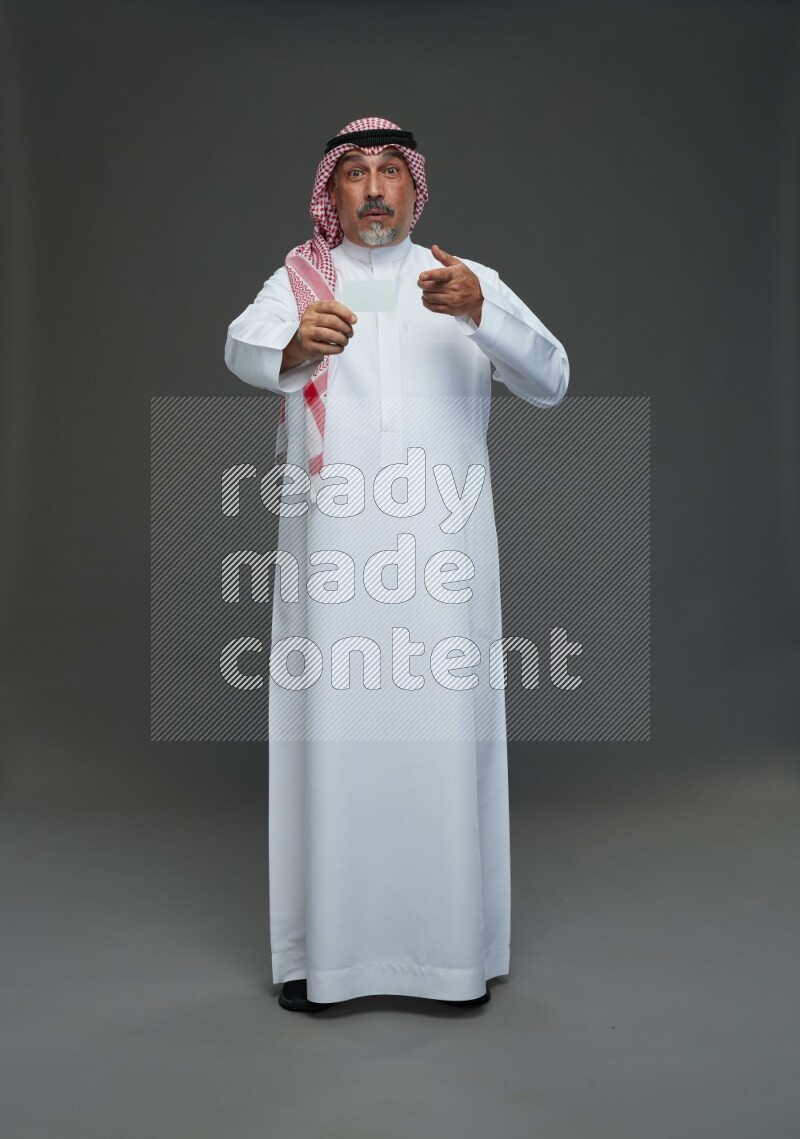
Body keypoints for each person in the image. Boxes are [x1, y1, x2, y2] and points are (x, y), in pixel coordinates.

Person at [224, 117, 569, 1012]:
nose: (375, 188)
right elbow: (242, 347)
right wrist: (295, 348)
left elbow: (552, 378)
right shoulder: (301, 280)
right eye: (356, 174)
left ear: (415, 189)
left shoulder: (460, 281)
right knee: (331, 737)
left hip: (441, 570)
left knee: (442, 742)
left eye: (390, 172)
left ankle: (450, 957)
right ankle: (327, 960)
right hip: (333, 570)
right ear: (331, 193)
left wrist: (484, 317)